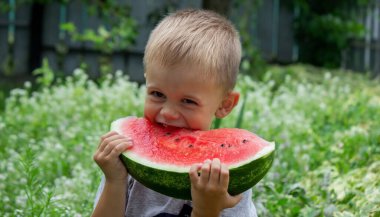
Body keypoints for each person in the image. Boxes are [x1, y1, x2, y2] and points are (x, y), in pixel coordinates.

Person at [92, 9, 257, 217]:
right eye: (157, 94)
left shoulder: (228, 178)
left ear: (225, 104)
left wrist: (208, 209)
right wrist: (114, 180)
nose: (168, 113)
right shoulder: (129, 159)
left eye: (188, 101)